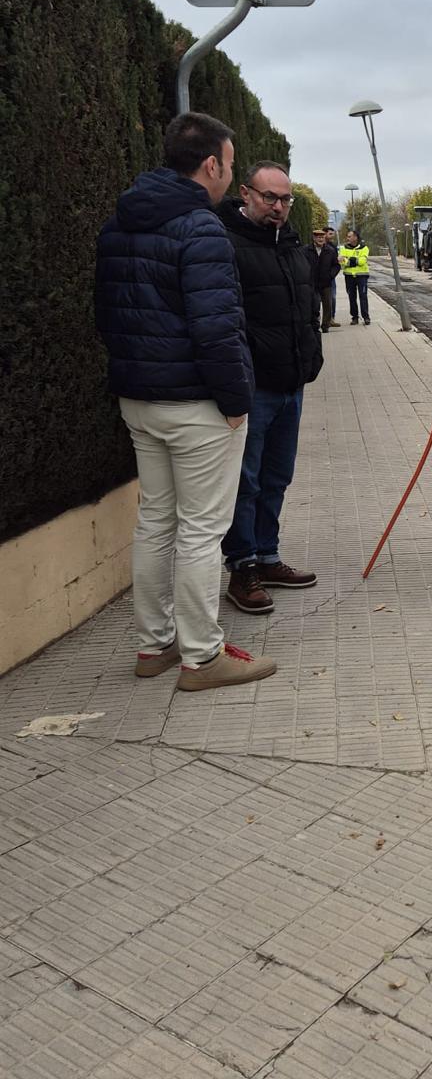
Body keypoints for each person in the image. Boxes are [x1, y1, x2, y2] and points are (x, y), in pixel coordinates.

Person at [94, 112, 277, 692]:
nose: (228, 174)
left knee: (156, 521)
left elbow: (106, 315)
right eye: (229, 163)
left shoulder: (120, 224)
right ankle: (203, 657)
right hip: (197, 405)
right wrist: (236, 401)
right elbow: (217, 328)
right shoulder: (201, 229)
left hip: (139, 399)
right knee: (201, 530)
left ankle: (154, 647)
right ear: (211, 164)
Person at [219, 160, 323, 613]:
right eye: (269, 197)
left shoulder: (292, 246)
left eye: (285, 199)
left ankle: (267, 555)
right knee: (245, 481)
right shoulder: (228, 244)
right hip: (253, 389)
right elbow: (226, 320)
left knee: (276, 477)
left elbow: (306, 306)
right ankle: (242, 567)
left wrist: (312, 354)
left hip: (290, 384)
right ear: (246, 193)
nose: (278, 207)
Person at [310, 227, 340, 332]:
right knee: (314, 304)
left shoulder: (330, 251)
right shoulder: (307, 250)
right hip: (312, 282)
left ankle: (325, 326)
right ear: (314, 238)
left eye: (322, 237)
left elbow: (336, 265)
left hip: (326, 282)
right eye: (318, 237)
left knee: (328, 305)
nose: (320, 239)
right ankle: (315, 324)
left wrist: (330, 275)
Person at [339, 228, 371, 325]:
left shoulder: (364, 248)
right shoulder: (343, 248)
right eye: (347, 237)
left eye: (349, 236)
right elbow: (342, 261)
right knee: (351, 297)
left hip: (362, 276)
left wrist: (349, 260)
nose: (347, 238)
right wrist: (355, 260)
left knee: (363, 296)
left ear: (355, 237)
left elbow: (362, 261)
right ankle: (354, 317)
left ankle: (366, 317)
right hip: (349, 276)